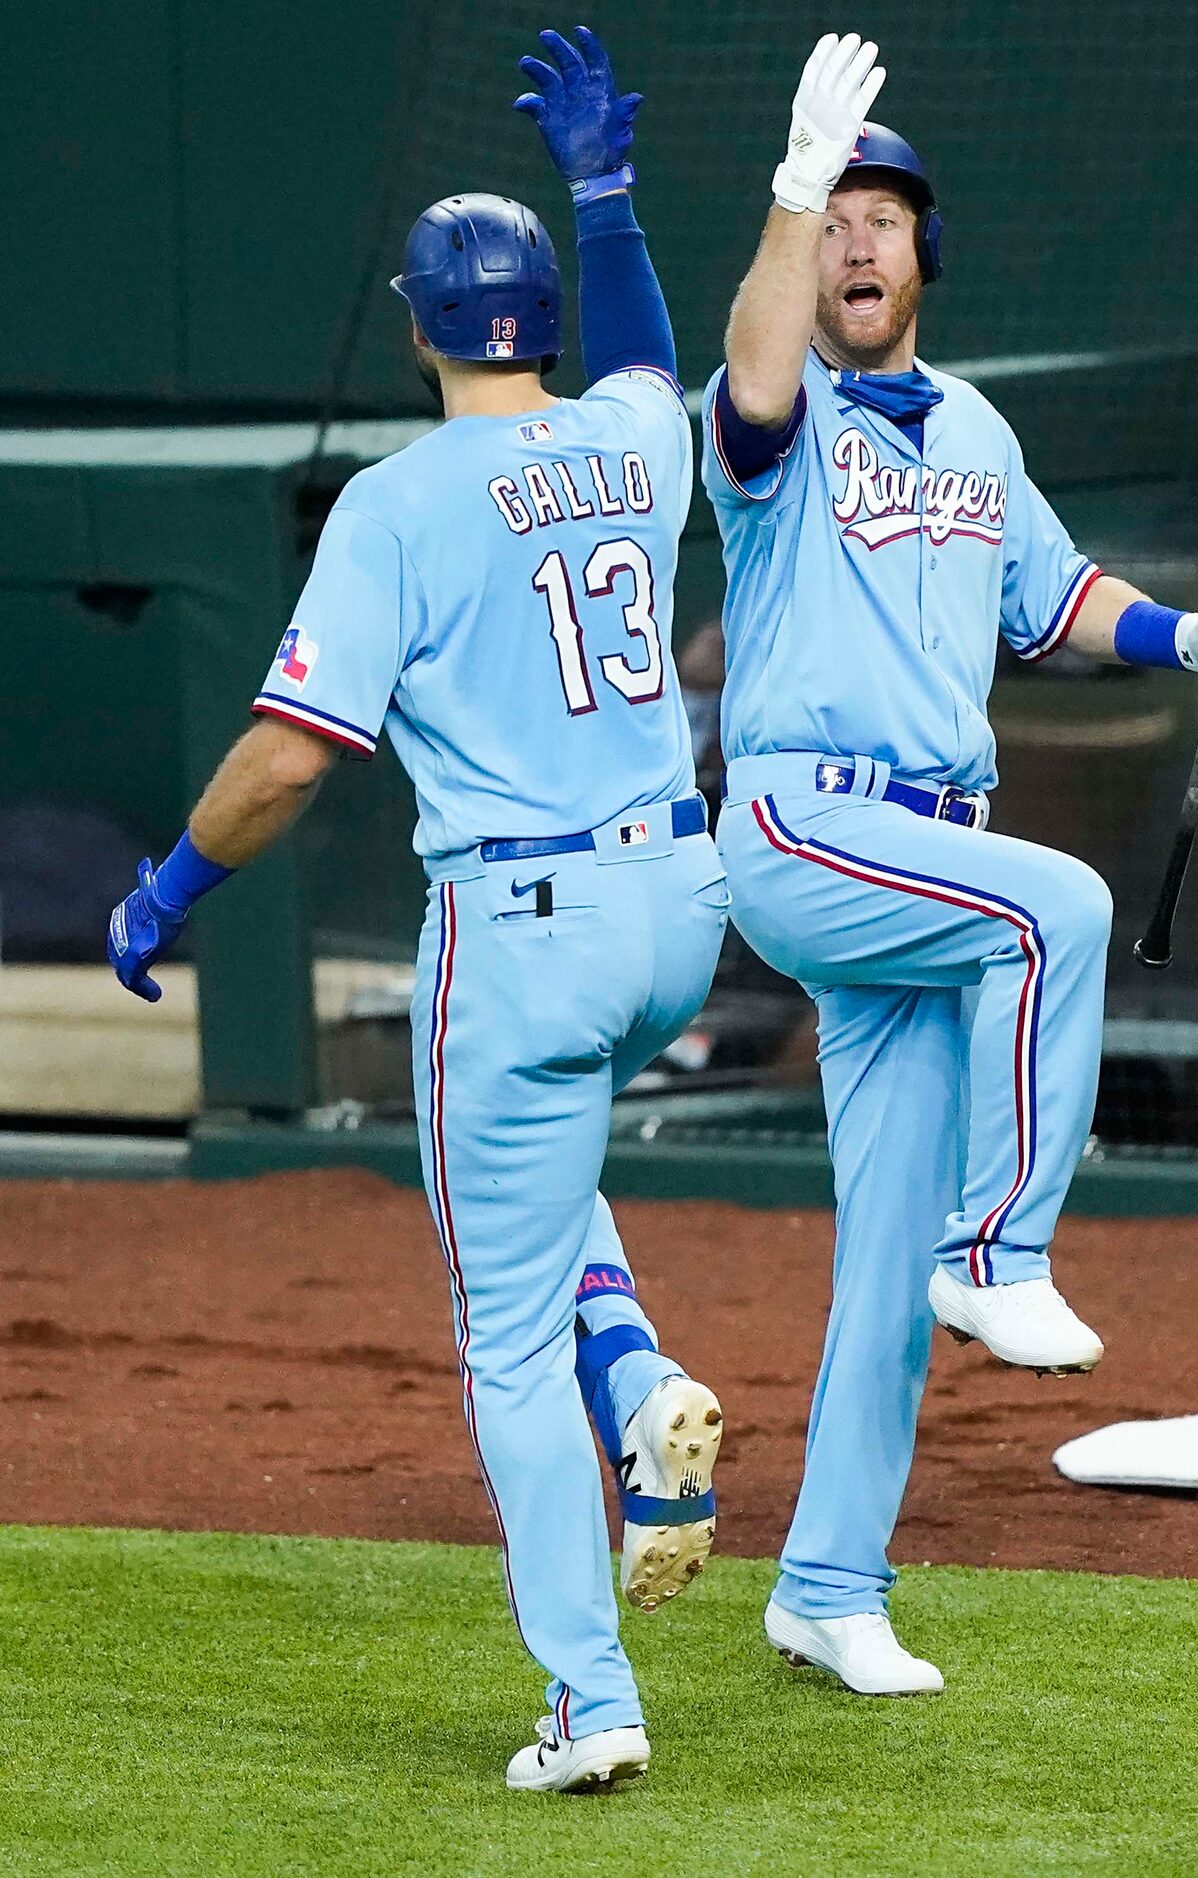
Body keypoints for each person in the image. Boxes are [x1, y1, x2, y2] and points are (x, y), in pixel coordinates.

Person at [108, 27, 728, 1795]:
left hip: (523, 933)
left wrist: (170, 885)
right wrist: (605, 195)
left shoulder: (393, 503)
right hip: (675, 906)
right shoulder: (630, 438)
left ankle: (589, 1699)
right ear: (540, 317)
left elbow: (289, 759)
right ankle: (643, 1387)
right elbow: (652, 362)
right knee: (555, 1197)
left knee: (499, 1321)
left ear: (419, 326)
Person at [701, 31, 1198, 1696]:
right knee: (1064, 903)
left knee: (881, 1263)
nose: (859, 241)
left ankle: (824, 1583)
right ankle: (1003, 1252)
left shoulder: (970, 428)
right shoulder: (775, 413)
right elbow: (744, 360)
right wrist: (784, 192)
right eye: (839, 220)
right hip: (809, 822)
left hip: (920, 866)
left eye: (882, 216)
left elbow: (1053, 599)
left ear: (924, 251)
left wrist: (1189, 636)